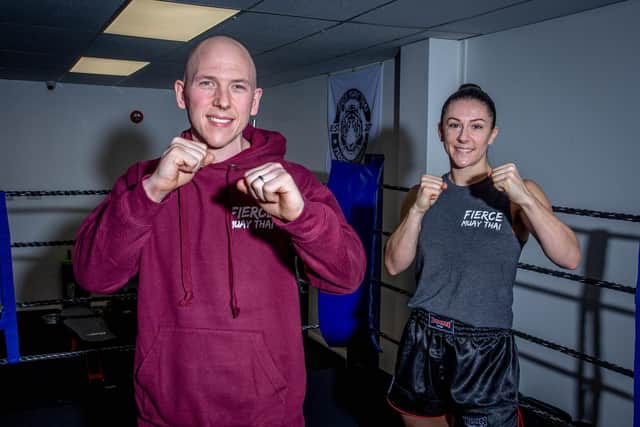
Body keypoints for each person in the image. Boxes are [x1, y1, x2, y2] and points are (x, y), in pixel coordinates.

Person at [73, 36, 366, 427]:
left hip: (266, 414)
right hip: (166, 414)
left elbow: (346, 275)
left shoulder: (291, 181)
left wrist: (300, 217)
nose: (223, 101)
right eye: (207, 82)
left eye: (238, 86)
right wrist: (152, 192)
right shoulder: (142, 180)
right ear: (182, 93)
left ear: (255, 100)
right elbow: (94, 275)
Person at [384, 83, 580, 427]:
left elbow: (569, 258)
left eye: (476, 126)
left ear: (492, 134)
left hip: (483, 347)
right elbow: (394, 264)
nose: (463, 136)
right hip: (423, 335)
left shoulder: (520, 193)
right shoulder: (422, 193)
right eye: (454, 124)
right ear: (440, 131)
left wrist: (526, 199)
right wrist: (416, 212)